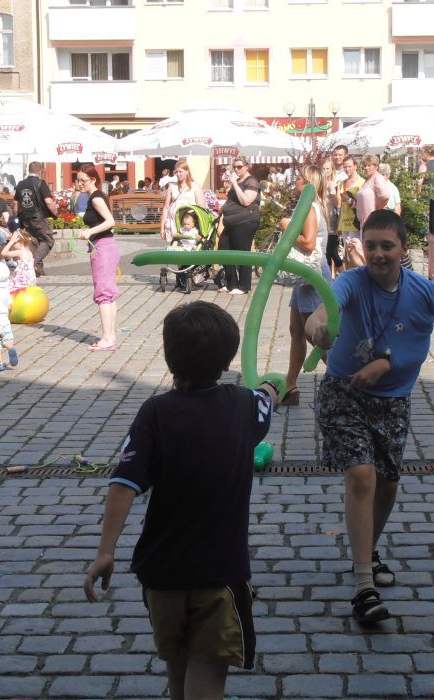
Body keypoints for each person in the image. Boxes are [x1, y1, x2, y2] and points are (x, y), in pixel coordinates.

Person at [84, 301, 278, 700]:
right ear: (227, 360)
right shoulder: (244, 406)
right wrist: (274, 386)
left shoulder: (155, 413)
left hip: (162, 575)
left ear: (170, 358)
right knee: (206, 677)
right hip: (220, 575)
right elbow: (266, 400)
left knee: (178, 668)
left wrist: (106, 551)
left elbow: (123, 483)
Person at [305, 209, 434, 624]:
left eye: (387, 245)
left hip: (393, 398)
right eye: (371, 245)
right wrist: (318, 326)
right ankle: (364, 587)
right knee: (362, 475)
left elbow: (417, 348)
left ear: (402, 248)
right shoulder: (351, 280)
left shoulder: (422, 291)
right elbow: (326, 309)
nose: (378, 254)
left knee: (388, 483)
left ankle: (368, 550)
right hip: (344, 392)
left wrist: (386, 363)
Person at [283, 165, 333, 407]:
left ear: (308, 184)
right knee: (296, 329)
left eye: (299, 178)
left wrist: (286, 227)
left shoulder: (310, 208)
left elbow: (309, 243)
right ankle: (290, 385)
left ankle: (343, 376)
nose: (296, 181)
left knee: (314, 333)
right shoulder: (312, 206)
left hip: (311, 275)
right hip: (304, 275)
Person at [76, 164, 119, 352]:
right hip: (105, 246)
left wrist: (89, 232)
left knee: (103, 294)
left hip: (103, 247)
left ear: (93, 179)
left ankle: (107, 337)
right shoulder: (96, 196)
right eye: (77, 180)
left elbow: (110, 221)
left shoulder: (96, 198)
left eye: (82, 180)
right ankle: (110, 334)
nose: (79, 183)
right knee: (108, 293)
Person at [219, 156, 261, 295]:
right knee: (223, 249)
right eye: (234, 167)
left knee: (243, 252)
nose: (236, 169)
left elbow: (246, 201)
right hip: (231, 221)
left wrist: (235, 185)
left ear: (247, 166)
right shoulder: (237, 180)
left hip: (245, 221)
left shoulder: (251, 181)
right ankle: (231, 284)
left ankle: (244, 286)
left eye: (239, 167)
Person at [13, 161, 59, 277]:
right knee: (48, 240)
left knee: (33, 242)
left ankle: (37, 270)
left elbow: (16, 204)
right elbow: (48, 202)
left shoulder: (21, 184)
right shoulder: (40, 183)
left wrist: (17, 217)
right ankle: (32, 263)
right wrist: (55, 213)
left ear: (29, 170)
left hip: (24, 217)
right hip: (37, 216)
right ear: (40, 171)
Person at [160, 159, 205, 243]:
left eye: (180, 171)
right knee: (174, 247)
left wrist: (200, 228)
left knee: (187, 247)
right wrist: (162, 227)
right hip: (173, 223)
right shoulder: (171, 186)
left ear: (187, 171)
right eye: (176, 172)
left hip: (188, 224)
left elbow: (201, 208)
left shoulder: (195, 186)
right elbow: (166, 208)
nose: (178, 174)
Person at [335, 156, 364, 269]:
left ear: (355, 166)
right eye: (345, 167)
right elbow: (339, 204)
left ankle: (357, 277)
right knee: (347, 253)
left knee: (355, 251)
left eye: (349, 166)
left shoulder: (362, 182)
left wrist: (350, 200)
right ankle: (350, 276)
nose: (347, 169)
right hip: (344, 221)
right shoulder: (342, 183)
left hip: (355, 222)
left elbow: (363, 204)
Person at [321, 157, 344, 276]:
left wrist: (333, 192)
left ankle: (344, 276)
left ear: (332, 169)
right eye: (323, 168)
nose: (325, 171)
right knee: (326, 253)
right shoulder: (320, 183)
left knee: (332, 251)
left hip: (332, 221)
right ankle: (329, 278)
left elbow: (338, 203)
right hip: (322, 219)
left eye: (328, 168)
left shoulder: (336, 182)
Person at [356, 155, 390, 232]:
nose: (366, 168)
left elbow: (385, 196)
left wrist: (375, 211)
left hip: (373, 222)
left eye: (369, 165)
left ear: (376, 166)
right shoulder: (368, 180)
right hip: (364, 222)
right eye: (365, 165)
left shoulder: (377, 178)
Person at [1, 230, 36, 295]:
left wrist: (11, 241)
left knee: (5, 289)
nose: (12, 245)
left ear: (20, 242)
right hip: (30, 282)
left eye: (14, 243)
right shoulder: (29, 251)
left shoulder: (20, 252)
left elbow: (3, 253)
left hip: (21, 282)